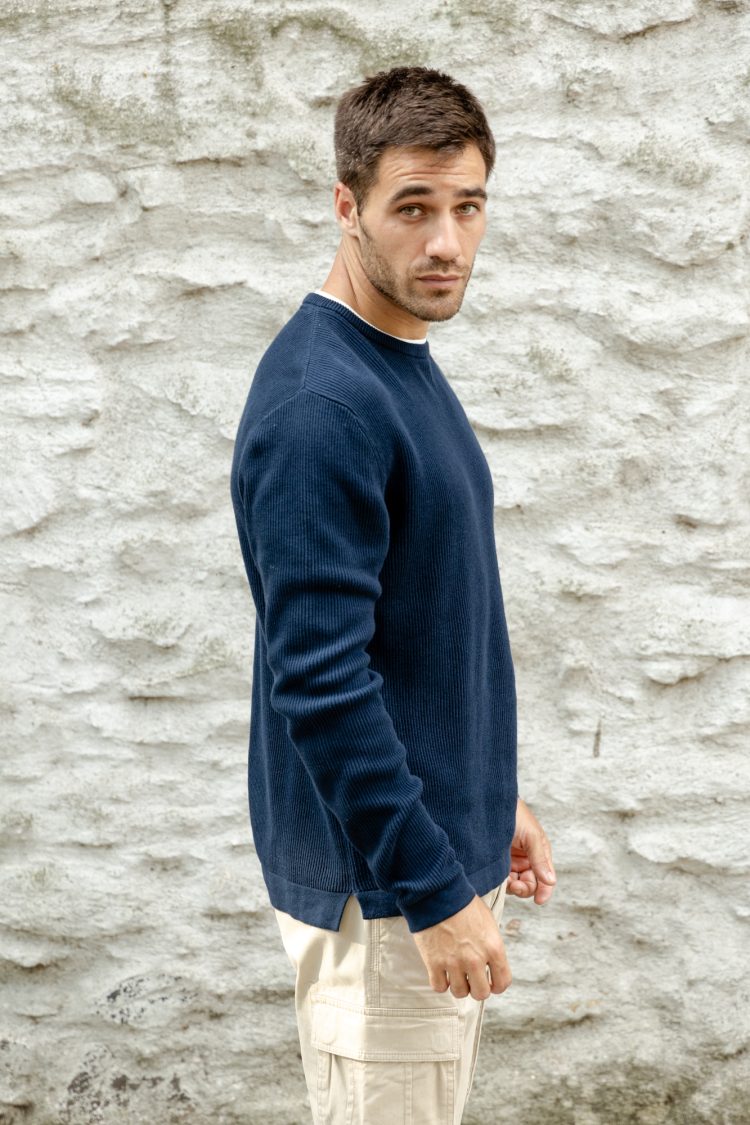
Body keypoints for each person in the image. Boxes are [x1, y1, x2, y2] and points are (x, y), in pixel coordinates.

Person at [229, 65, 557, 1125]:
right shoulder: (324, 405)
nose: (447, 242)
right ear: (347, 205)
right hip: (385, 901)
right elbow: (321, 684)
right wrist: (431, 889)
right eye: (412, 207)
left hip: (421, 861)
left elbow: (423, 625)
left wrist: (487, 795)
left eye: (468, 207)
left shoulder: (396, 360)